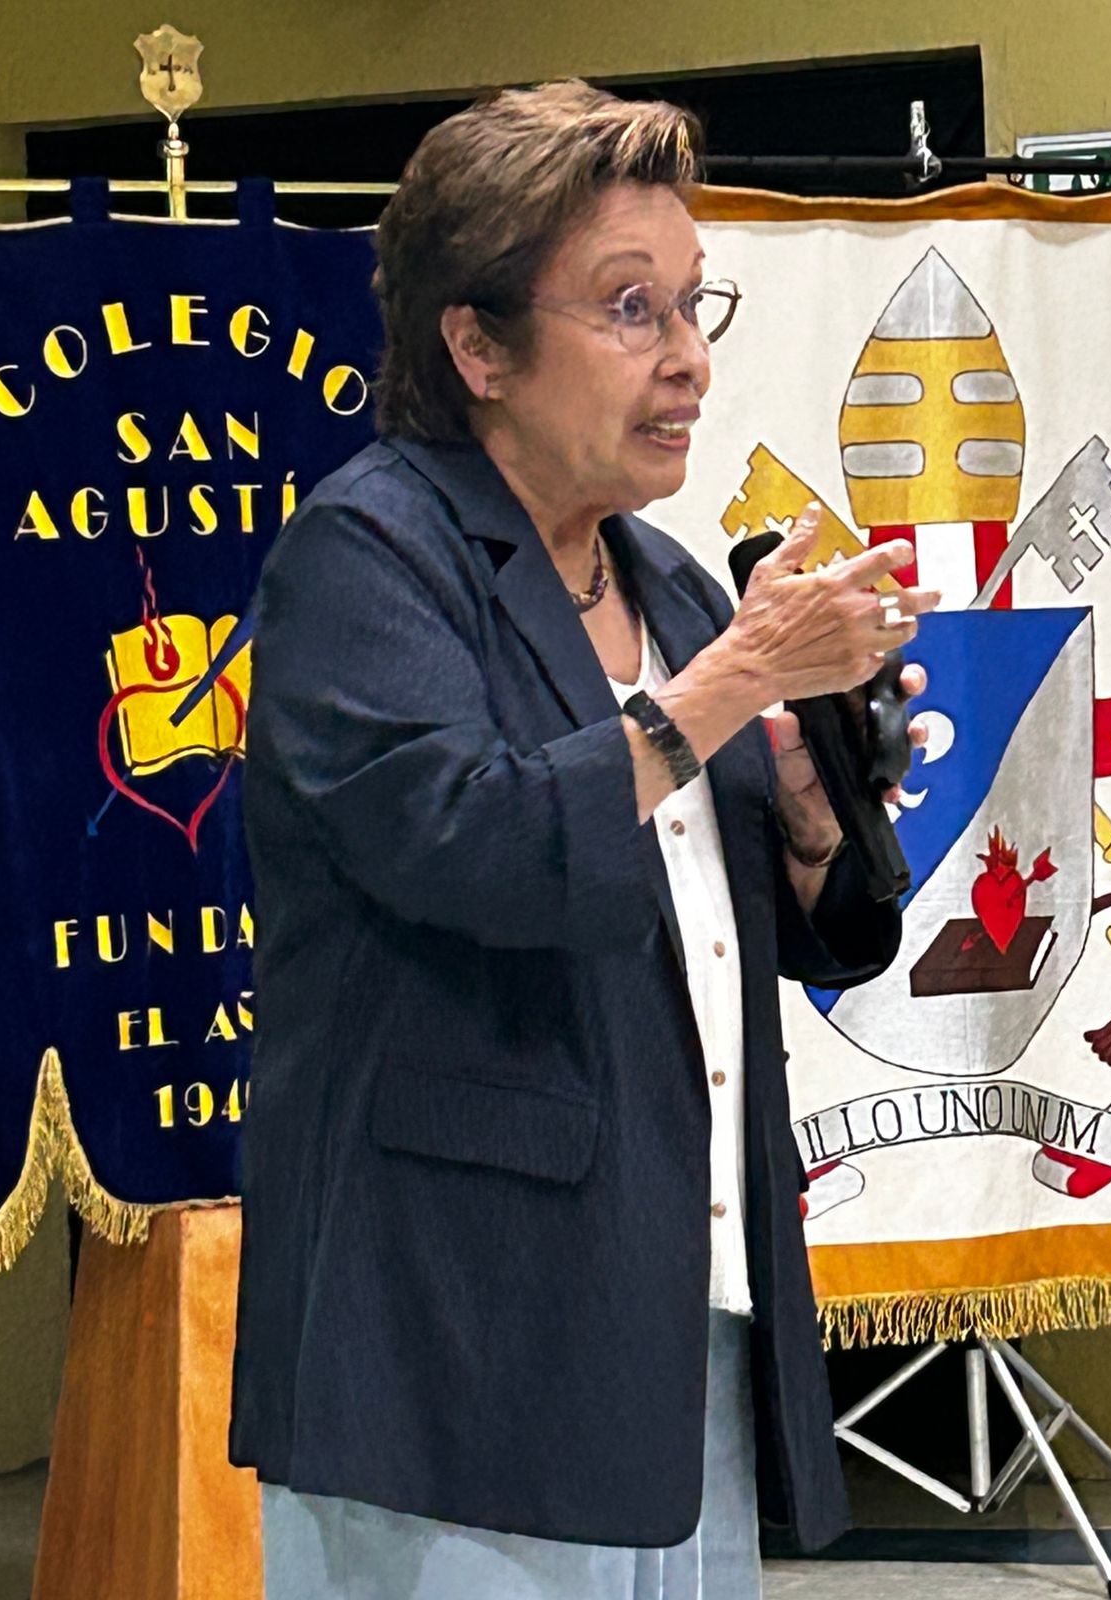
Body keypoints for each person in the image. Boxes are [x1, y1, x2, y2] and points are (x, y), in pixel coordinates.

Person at [230, 79, 938, 1600]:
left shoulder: (669, 583)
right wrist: (731, 684)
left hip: (675, 1312)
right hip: (453, 1340)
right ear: (477, 347)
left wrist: (811, 819)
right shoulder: (366, 554)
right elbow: (469, 840)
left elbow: (757, 924)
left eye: (694, 304)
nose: (687, 359)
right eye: (630, 308)